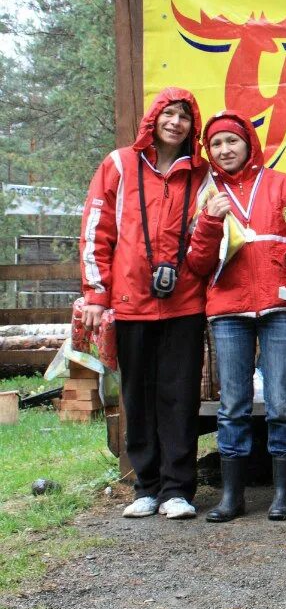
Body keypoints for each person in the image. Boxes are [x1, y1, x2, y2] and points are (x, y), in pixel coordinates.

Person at [80, 88, 208, 520]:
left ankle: (178, 490)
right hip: (130, 300)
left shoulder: (201, 175)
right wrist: (96, 293)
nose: (175, 123)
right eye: (168, 114)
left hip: (185, 303)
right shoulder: (118, 165)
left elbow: (212, 240)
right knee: (138, 395)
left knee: (180, 396)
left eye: (184, 117)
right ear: (152, 119)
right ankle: (146, 486)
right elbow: (97, 229)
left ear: (193, 127)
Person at [187, 111, 286, 522]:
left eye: (232, 142)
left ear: (248, 144)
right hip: (228, 307)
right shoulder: (205, 194)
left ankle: (283, 495)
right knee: (233, 404)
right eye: (216, 144)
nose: (224, 150)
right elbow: (198, 264)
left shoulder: (282, 184)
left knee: (281, 402)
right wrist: (209, 220)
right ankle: (231, 497)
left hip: (280, 304)